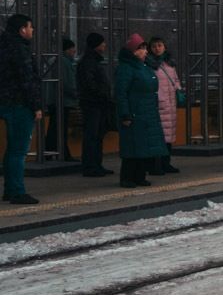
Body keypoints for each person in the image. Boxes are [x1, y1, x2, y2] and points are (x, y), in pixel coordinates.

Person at [114, 34, 167, 188]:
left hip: (147, 112)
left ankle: (139, 175)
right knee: (132, 146)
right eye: (142, 49)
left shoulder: (143, 67)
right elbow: (121, 93)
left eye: (145, 48)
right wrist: (125, 113)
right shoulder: (126, 68)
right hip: (134, 112)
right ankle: (127, 177)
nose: (145, 51)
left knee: (144, 146)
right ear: (133, 51)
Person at [0, 13, 43, 204]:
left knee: (11, 150)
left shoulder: (4, 47)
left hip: (6, 103)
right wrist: (36, 106)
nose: (32, 30)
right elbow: (28, 80)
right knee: (18, 150)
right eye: (30, 26)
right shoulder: (21, 50)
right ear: (22, 30)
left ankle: (10, 189)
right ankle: (17, 191)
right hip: (21, 104)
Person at [76, 32, 114, 177]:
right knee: (93, 136)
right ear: (96, 45)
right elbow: (90, 84)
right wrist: (103, 94)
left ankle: (96, 164)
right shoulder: (89, 63)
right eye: (102, 43)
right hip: (93, 104)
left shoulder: (91, 61)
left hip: (96, 103)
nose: (104, 45)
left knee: (97, 135)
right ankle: (91, 166)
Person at [145, 37, 182, 175]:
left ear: (164, 47)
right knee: (157, 135)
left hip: (170, 103)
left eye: (160, 45)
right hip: (158, 104)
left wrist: (178, 89)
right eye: (154, 46)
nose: (157, 48)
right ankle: (155, 165)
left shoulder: (170, 63)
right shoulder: (149, 64)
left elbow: (175, 79)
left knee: (169, 135)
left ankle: (166, 163)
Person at [44, 37, 79, 160]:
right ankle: (62, 153)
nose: (74, 52)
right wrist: (76, 93)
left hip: (54, 99)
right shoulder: (64, 62)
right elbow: (66, 83)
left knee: (55, 128)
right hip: (63, 100)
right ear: (67, 50)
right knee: (60, 129)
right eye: (72, 50)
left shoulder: (53, 60)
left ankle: (51, 151)